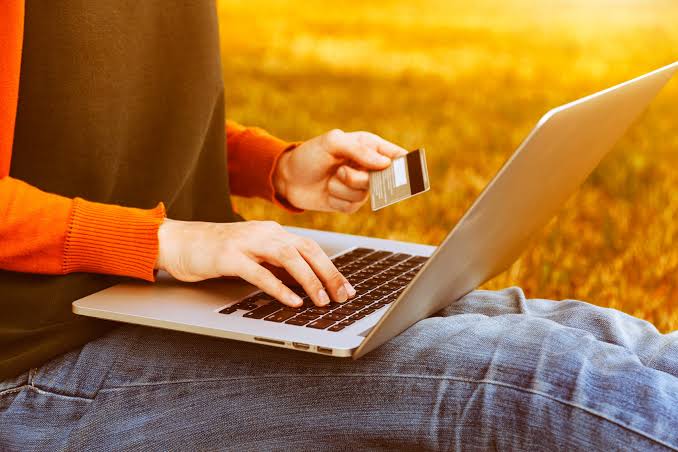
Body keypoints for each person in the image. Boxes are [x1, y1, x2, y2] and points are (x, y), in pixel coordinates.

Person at [1, 2, 676, 450]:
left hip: (175, 297)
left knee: (598, 336)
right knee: (530, 378)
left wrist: (278, 166)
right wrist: (168, 240)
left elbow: (103, 118)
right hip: (39, 363)